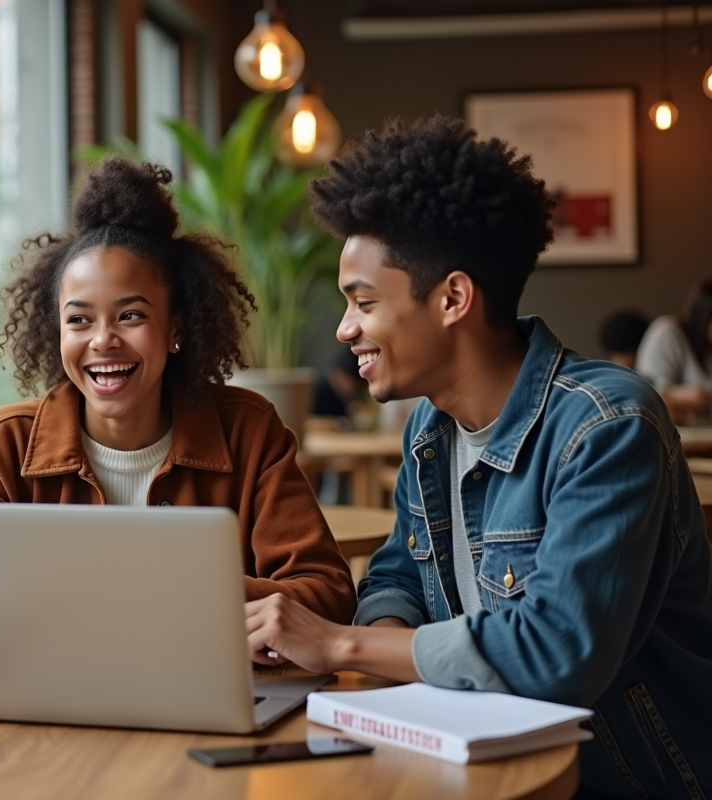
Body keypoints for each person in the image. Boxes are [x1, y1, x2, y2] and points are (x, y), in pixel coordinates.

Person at [244, 116, 712, 799]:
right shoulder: (430, 429)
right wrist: (391, 657)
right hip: (478, 766)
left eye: (363, 302)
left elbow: (557, 651)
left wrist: (341, 644)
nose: (344, 329)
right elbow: (396, 577)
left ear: (453, 298)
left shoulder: (608, 426)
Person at [0, 156, 356, 619]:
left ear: (175, 329)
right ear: (57, 333)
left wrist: (173, 588)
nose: (103, 340)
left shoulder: (248, 431)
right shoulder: (3, 446)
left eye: (130, 315)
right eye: (79, 320)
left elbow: (327, 593)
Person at [635, 281, 712, 424]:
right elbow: (645, 396)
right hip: (670, 432)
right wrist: (682, 396)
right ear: (704, 317)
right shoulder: (668, 333)